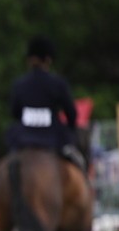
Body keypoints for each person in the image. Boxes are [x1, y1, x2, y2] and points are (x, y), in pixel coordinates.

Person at [6, 36, 84, 169]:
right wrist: (70, 130)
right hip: (53, 136)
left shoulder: (19, 84)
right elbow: (71, 114)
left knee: (9, 161)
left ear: (29, 60)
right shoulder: (58, 84)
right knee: (79, 163)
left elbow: (14, 112)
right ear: (48, 59)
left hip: (24, 136)